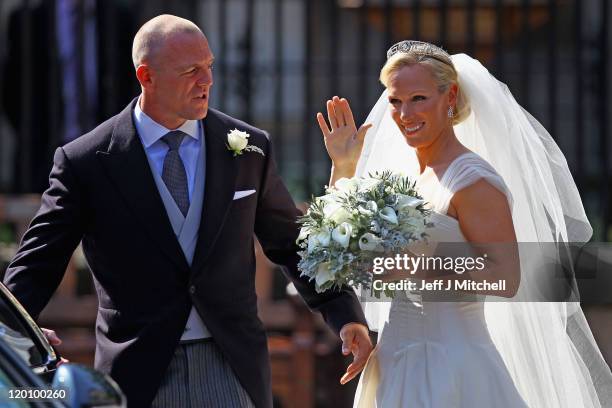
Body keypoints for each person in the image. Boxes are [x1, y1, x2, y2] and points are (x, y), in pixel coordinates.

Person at [3, 15, 372, 408]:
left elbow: (292, 244)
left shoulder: (249, 149)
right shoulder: (87, 162)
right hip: (138, 371)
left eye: (209, 66)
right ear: (146, 76)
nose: (206, 81)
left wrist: (345, 313)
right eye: (190, 71)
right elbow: (39, 261)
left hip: (232, 367)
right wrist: (12, 332)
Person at [317, 41, 612, 407]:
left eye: (419, 98)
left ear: (450, 96)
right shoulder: (402, 177)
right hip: (393, 360)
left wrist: (420, 265)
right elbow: (337, 252)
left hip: (451, 366)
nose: (405, 113)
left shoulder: (473, 181)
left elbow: (506, 276)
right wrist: (343, 168)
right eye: (395, 101)